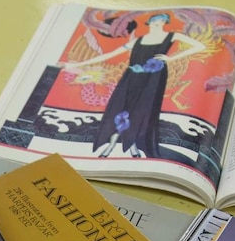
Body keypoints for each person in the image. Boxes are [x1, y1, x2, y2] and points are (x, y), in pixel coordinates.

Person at [58, 13, 206, 158]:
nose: (158, 23)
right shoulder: (138, 40)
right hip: (132, 77)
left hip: (154, 79)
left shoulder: (172, 36)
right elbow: (110, 54)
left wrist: (171, 58)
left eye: (161, 21)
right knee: (123, 108)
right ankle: (113, 141)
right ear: (149, 22)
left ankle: (133, 143)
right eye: (155, 21)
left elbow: (199, 46)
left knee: (143, 110)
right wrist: (76, 64)